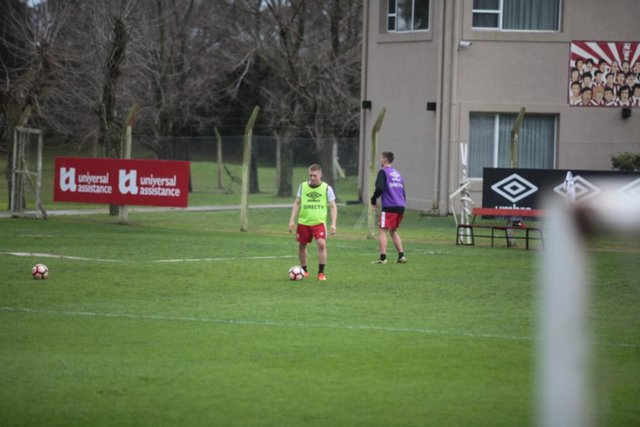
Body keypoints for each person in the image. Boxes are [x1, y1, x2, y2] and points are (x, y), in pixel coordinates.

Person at [288, 164, 337, 281]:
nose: (312, 177)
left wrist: (333, 223)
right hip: (303, 222)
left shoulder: (327, 188)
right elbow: (297, 203)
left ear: (320, 175)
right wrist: (291, 220)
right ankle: (304, 271)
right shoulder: (303, 186)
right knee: (302, 246)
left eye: (315, 175)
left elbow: (333, 206)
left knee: (321, 244)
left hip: (319, 223)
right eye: (310, 175)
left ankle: (321, 272)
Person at [370, 152, 406, 264]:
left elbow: (380, 188)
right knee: (393, 231)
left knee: (382, 230)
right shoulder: (397, 173)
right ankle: (401, 256)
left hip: (390, 206)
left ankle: (383, 258)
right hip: (401, 205)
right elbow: (403, 191)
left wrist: (373, 199)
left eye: (381, 158)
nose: (380, 160)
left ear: (385, 160)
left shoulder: (383, 172)